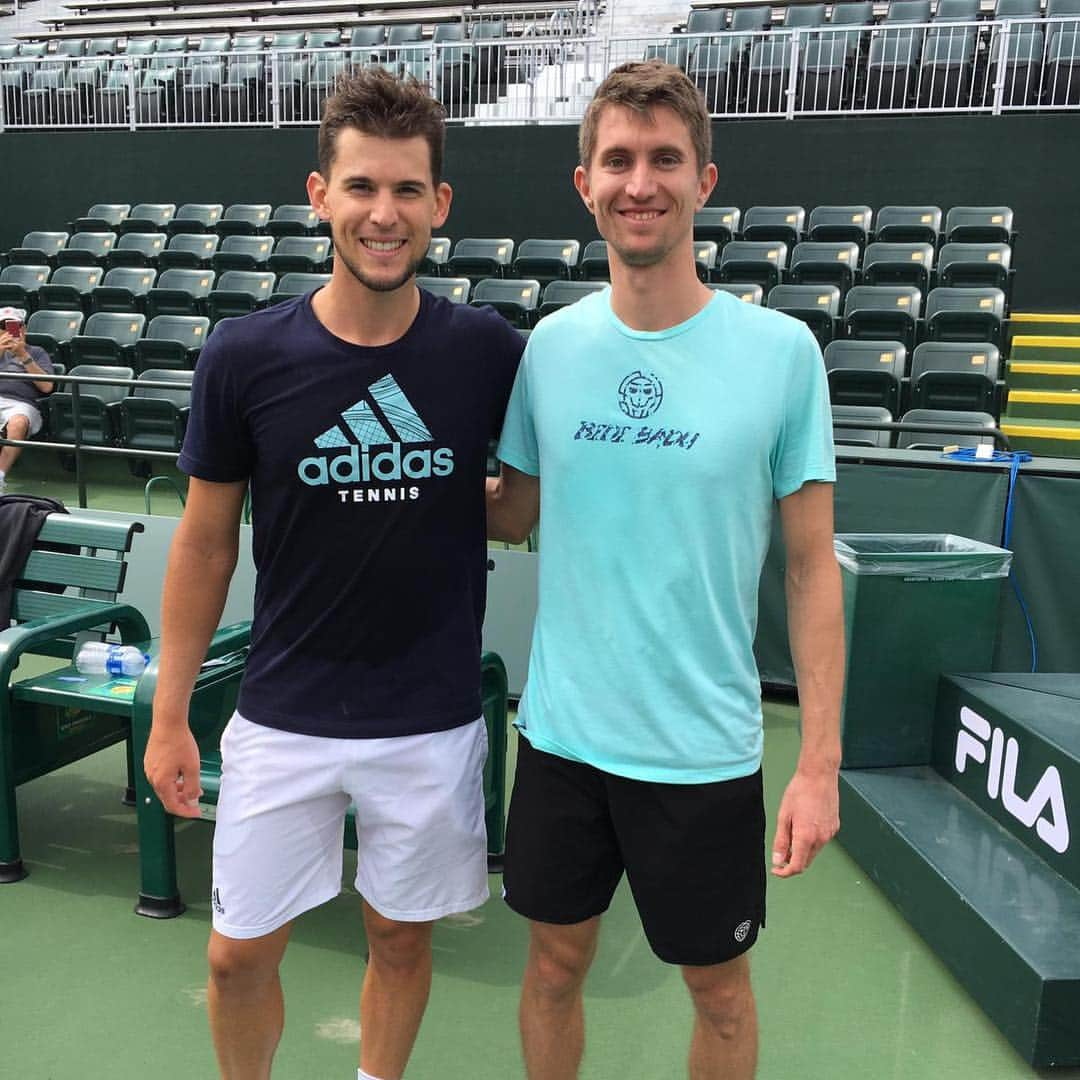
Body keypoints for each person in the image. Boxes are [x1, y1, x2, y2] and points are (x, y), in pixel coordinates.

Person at [143, 68, 524, 1080]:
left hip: (429, 720)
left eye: (407, 190)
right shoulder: (242, 356)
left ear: (439, 205)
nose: (383, 214)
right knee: (233, 960)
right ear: (321, 196)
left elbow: (523, 498)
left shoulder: (486, 352)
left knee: (400, 942)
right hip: (283, 713)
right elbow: (205, 542)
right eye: (361, 187)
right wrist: (171, 710)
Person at [486, 60, 845, 1079]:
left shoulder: (781, 355)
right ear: (583, 184)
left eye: (663, 160)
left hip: (705, 752)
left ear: (704, 180)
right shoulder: (548, 349)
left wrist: (817, 767)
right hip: (562, 739)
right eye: (617, 160)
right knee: (553, 968)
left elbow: (814, 573)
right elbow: (512, 514)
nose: (639, 182)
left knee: (720, 995)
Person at [0, 306, 55, 494]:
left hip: (21, 404)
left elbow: (47, 387)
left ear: (23, 329)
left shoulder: (37, 352)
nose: (8, 330)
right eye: (3, 326)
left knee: (18, 422)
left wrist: (23, 355)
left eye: (14, 325)